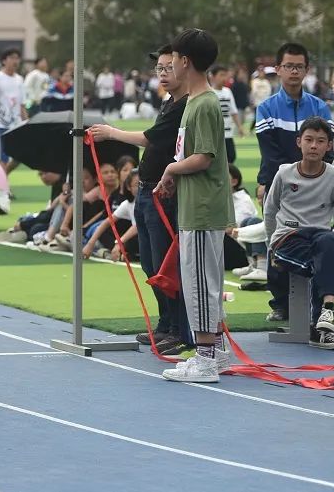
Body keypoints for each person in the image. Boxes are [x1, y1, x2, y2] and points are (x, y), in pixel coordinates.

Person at [89, 45, 192, 355]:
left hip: (164, 193)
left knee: (164, 263)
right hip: (146, 190)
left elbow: (149, 138)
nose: (162, 73)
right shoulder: (169, 102)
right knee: (149, 262)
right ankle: (164, 325)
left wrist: (111, 132)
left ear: (184, 67)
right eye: (158, 68)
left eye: (168, 67)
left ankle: (176, 328)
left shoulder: (186, 106)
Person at [155, 29, 235, 383]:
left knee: (201, 282)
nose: (169, 63)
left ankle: (205, 357)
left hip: (202, 209)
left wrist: (171, 168)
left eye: (173, 57)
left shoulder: (203, 104)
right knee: (204, 279)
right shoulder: (195, 102)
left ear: (185, 61)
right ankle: (215, 351)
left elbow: (203, 157)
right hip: (196, 205)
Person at [255, 43, 333, 322]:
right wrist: (286, 181)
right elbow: (271, 153)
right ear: (278, 69)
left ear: (306, 70)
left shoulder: (320, 107)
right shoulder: (266, 108)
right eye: (288, 66)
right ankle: (280, 303)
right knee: (277, 241)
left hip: (316, 187)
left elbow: (328, 150)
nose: (294, 71)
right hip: (278, 184)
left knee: (316, 240)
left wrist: (315, 181)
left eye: (299, 66)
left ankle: (317, 303)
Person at [264, 117, 334, 350]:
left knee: (325, 251)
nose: (314, 145)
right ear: (299, 142)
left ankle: (324, 317)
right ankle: (320, 325)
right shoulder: (284, 174)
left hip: (321, 239)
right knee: (326, 262)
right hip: (288, 239)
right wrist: (270, 245)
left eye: (321, 141)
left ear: (329, 146)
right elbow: (270, 210)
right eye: (309, 140)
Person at [0, 47, 27, 173]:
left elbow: (22, 104)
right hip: (2, 124)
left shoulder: (20, 79)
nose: (15, 61)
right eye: (12, 58)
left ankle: (1, 183)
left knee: (19, 157)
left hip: (17, 125)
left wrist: (27, 121)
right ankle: (3, 189)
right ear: (4, 61)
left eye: (17, 58)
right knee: (3, 158)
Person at [207, 65, 242, 163]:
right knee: (216, 160)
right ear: (212, 76)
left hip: (228, 133)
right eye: (221, 75)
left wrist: (239, 127)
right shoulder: (209, 93)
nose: (224, 78)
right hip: (215, 134)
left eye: (225, 75)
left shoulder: (228, 91)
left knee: (231, 157)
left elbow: (233, 111)